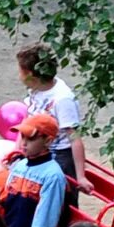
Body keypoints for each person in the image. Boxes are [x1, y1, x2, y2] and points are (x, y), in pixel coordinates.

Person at [16, 44, 83, 175]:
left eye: (20, 72)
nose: (18, 76)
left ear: (31, 76)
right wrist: (16, 150)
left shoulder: (62, 99)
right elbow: (27, 121)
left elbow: (74, 137)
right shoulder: (36, 89)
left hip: (59, 156)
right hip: (37, 149)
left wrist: (81, 176)